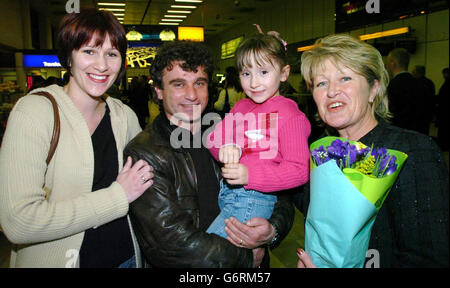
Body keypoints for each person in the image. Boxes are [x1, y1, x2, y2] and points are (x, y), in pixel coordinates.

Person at [0, 9, 154, 268]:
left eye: (112, 54)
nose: (102, 65)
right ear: (69, 57)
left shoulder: (123, 116)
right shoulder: (35, 112)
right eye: (89, 51)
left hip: (126, 258)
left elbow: (146, 182)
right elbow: (19, 222)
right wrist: (117, 196)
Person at [124, 41, 295, 268]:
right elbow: (170, 244)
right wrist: (244, 258)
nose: (192, 95)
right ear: (158, 90)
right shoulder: (145, 152)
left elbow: (282, 194)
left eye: (199, 83)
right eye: (178, 84)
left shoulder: (233, 129)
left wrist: (272, 231)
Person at [295, 34, 449, 268]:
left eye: (345, 78)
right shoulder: (319, 154)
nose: (332, 91)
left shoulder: (413, 151)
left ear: (373, 88)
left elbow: (429, 259)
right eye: (321, 83)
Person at [206, 32, 311, 240]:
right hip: (226, 192)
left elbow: (299, 170)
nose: (254, 82)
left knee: (209, 254)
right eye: (246, 74)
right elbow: (213, 139)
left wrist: (250, 176)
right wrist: (227, 147)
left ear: (284, 73)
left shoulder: (290, 115)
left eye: (263, 72)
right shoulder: (241, 106)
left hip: (254, 198)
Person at [385, 48, 428, 134]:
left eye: (387, 62)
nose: (386, 65)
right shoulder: (420, 84)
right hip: (417, 132)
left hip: (397, 133)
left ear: (393, 63)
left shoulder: (393, 85)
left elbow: (389, 113)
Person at [412, 65, 435, 134]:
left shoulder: (415, 83)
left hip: (417, 114)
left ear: (417, 72)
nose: (412, 73)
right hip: (427, 113)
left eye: (413, 71)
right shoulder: (430, 83)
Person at [437, 67, 449, 151]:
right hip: (444, 110)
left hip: (445, 111)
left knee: (444, 129)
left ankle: (444, 145)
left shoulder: (447, 84)